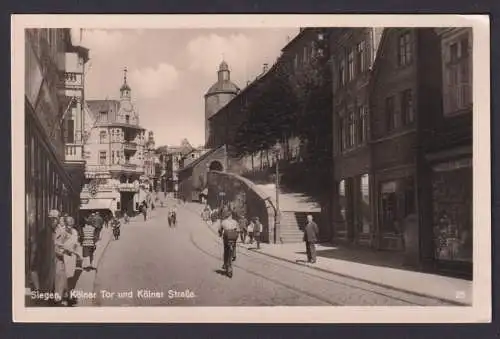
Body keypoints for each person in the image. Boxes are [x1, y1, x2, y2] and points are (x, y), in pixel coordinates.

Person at [218, 211, 239, 276]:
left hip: (227, 237)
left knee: (226, 250)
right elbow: (238, 230)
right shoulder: (235, 221)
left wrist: (220, 233)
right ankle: (234, 254)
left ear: (226, 216)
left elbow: (220, 230)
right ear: (231, 216)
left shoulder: (223, 222)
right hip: (233, 237)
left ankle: (225, 263)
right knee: (234, 245)